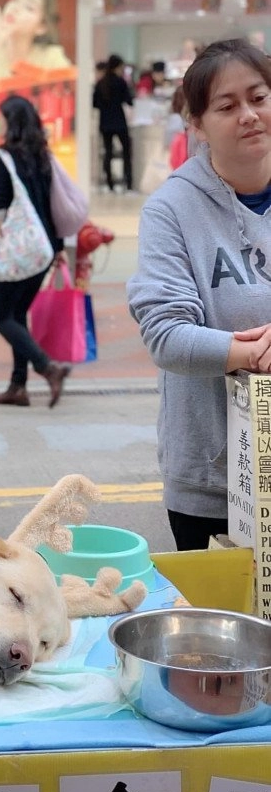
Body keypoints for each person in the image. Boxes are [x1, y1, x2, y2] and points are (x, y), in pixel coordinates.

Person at [127, 38, 271, 551]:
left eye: (259, 97)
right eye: (227, 106)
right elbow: (167, 336)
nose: (249, 115)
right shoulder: (171, 211)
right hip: (214, 484)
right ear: (197, 124)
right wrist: (254, 352)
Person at [0, 95, 70, 408]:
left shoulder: (1, 159)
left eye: (1, 116)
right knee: (17, 315)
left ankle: (47, 367)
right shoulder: (42, 155)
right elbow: (50, 205)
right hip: (43, 249)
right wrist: (58, 248)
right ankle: (18, 387)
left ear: (12, 121)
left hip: (21, 249)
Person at [0, 0, 72, 83]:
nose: (15, 8)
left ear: (41, 27)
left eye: (28, 7)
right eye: (15, 0)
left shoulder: (51, 58)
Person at [93, 53, 134, 192]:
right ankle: (127, 182)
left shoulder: (100, 83)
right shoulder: (121, 82)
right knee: (126, 152)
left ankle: (109, 183)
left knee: (108, 153)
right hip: (119, 121)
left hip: (105, 123)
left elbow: (95, 104)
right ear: (118, 66)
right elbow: (129, 100)